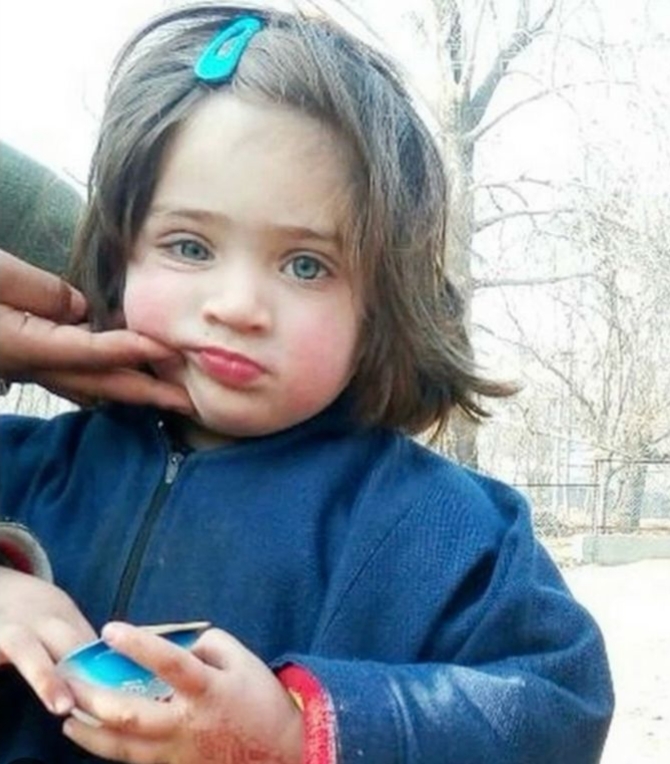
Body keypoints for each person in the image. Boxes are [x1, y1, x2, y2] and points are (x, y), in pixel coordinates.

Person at [0, 3, 614, 763]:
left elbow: (559, 703)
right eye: (189, 246)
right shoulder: (24, 468)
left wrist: (300, 733)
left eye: (305, 265)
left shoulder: (442, 530)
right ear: (120, 253)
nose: (238, 306)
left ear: (382, 306)